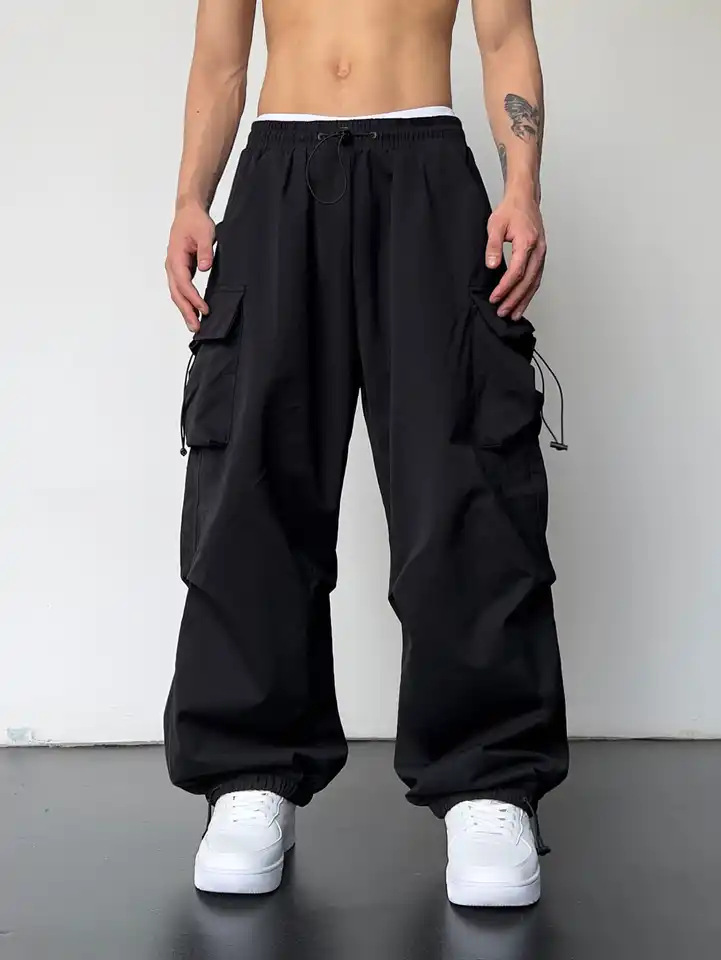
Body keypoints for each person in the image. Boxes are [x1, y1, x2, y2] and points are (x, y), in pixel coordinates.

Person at [164, 0, 568, 908]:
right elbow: (219, 61)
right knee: (252, 482)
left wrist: (522, 187)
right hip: (276, 172)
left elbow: (506, 38)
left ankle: (488, 781)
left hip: (426, 169)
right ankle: (251, 774)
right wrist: (191, 196)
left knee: (463, 480)